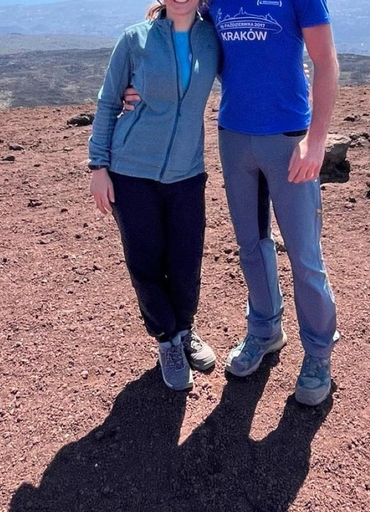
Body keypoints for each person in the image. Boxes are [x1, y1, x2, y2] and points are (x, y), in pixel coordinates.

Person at [126, 0, 340, 405]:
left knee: (304, 255)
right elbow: (184, 35)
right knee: (250, 246)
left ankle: (318, 353)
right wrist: (133, 83)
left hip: (289, 138)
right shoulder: (214, 1)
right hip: (235, 137)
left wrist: (316, 140)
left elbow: (325, 61)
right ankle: (265, 330)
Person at [88, 0, 220, 391]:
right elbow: (109, 101)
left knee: (185, 260)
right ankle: (167, 340)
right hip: (131, 171)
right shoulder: (135, 39)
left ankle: (184, 329)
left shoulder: (213, 38)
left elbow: (249, 69)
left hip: (187, 172)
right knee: (145, 262)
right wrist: (98, 166)